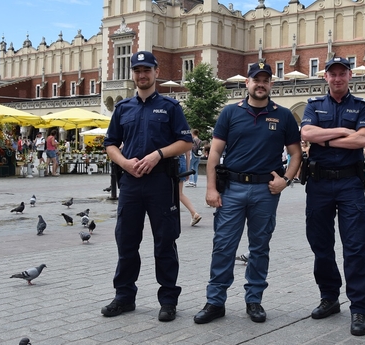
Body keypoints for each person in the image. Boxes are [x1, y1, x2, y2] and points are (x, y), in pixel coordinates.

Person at [193, 62, 301, 324]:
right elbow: (215, 153)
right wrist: (210, 188)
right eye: (256, 79)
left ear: (271, 84)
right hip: (232, 189)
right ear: (247, 83)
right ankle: (215, 301)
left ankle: (254, 301)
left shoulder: (284, 115)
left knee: (260, 247)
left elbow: (297, 154)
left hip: (266, 190)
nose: (260, 84)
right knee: (223, 246)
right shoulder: (230, 113)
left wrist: (285, 181)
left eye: (265, 80)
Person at [102, 51, 192, 322]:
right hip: (130, 182)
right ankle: (124, 297)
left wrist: (158, 155)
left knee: (165, 241)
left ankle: (168, 300)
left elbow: (186, 142)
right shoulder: (123, 108)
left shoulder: (170, 107)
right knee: (126, 241)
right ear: (133, 74)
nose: (142, 75)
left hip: (160, 183)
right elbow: (110, 144)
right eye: (138, 70)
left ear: (156, 72)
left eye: (147, 70)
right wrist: (124, 163)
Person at [300, 57, 365, 336]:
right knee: (321, 245)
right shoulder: (314, 105)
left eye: (342, 73)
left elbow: (363, 139)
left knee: (355, 246)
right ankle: (329, 297)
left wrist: (325, 138)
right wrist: (344, 131)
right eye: (333, 74)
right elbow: (306, 132)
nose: (338, 78)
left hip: (349, 184)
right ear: (326, 77)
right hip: (318, 184)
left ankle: (359, 308)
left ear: (350, 76)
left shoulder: (361, 107)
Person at [178, 153, 202, 226]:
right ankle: (194, 213)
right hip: (182, 161)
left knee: (168, 191)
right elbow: (188, 154)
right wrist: (187, 171)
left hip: (172, 161)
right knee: (179, 193)